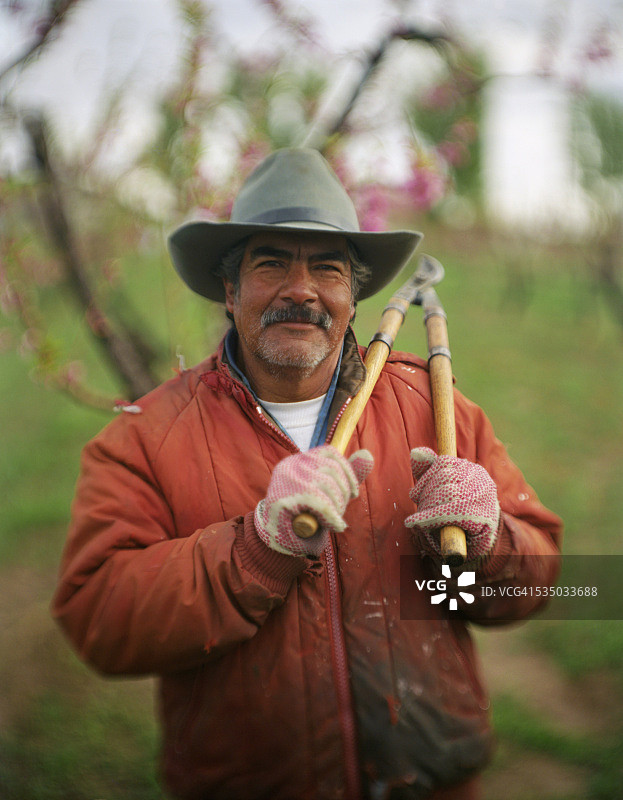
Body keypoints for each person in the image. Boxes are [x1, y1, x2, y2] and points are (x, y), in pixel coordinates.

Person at [52, 148, 562, 800]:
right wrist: (254, 549)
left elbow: (547, 580)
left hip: (431, 783)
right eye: (271, 263)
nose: (301, 288)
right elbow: (97, 619)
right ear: (230, 292)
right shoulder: (144, 438)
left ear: (353, 296)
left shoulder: (434, 410)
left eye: (326, 267)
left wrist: (487, 550)